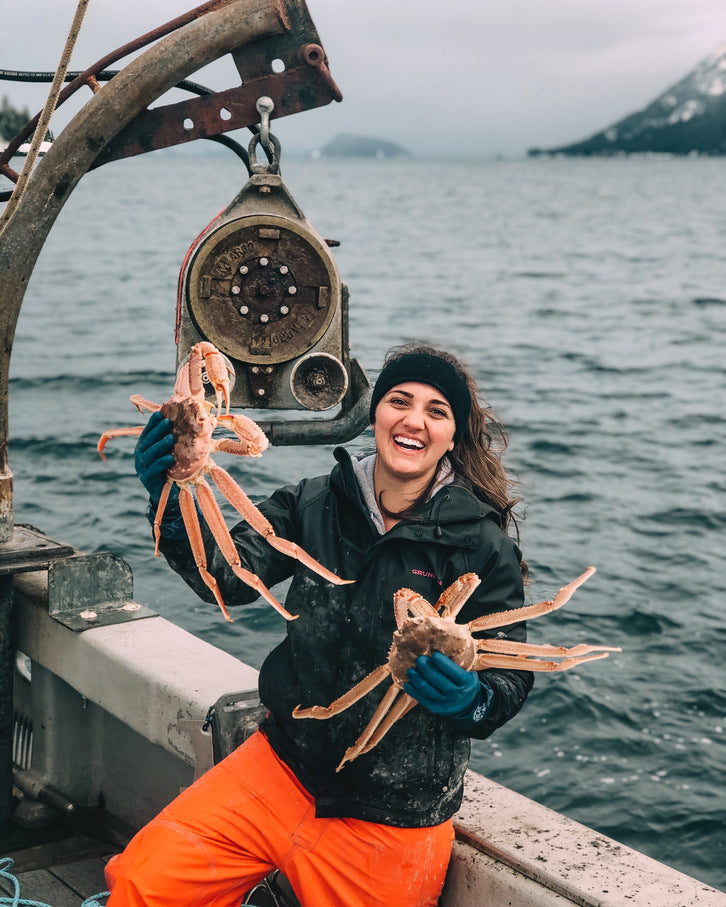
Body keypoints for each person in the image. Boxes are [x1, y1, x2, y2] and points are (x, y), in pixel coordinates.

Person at [105, 343, 534, 907]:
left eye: (437, 411)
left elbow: (511, 678)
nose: (413, 421)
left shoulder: (481, 544)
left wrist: (471, 701)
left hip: (395, 811)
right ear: (375, 414)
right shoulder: (313, 503)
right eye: (399, 401)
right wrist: (167, 487)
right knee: (141, 884)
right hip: (281, 767)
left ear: (454, 437)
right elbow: (227, 576)